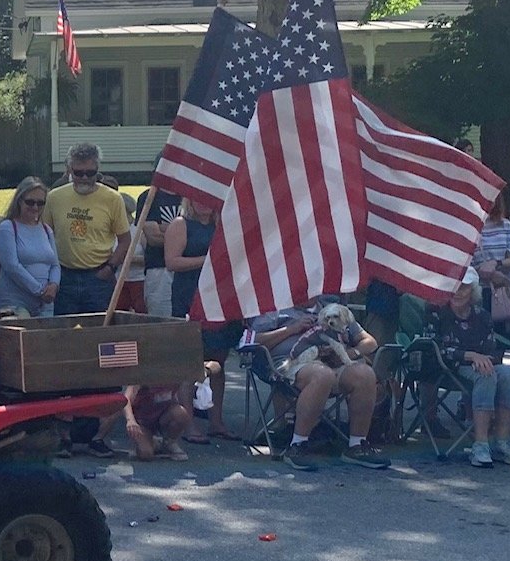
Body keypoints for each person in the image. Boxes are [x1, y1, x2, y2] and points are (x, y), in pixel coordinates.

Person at [250, 303, 388, 471]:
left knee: (364, 374)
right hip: (288, 364)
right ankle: (297, 446)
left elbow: (370, 342)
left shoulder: (332, 310)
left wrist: (350, 354)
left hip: (330, 363)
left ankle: (357, 446)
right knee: (322, 375)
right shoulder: (275, 309)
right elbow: (252, 341)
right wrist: (291, 329)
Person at [430, 269, 510, 468]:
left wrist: (481, 358)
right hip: (446, 367)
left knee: (509, 374)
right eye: (454, 285)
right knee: (487, 375)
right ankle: (480, 444)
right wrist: (469, 355)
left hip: (479, 364)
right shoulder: (436, 310)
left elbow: (491, 348)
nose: (458, 291)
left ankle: (501, 442)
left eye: (464, 287)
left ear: (473, 291)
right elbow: (433, 346)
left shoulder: (482, 315)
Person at [165, 199, 234, 442]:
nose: (204, 202)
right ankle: (188, 424)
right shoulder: (181, 224)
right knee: (190, 364)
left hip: (222, 300)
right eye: (198, 196)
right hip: (190, 299)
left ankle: (216, 422)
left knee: (218, 364)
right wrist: (207, 261)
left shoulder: (225, 224)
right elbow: (171, 262)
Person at [42, 143, 131, 316]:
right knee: (65, 331)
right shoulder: (55, 197)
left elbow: (125, 240)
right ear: (69, 170)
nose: (84, 177)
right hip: (64, 276)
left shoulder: (112, 199)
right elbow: (45, 235)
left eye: (90, 173)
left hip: (98, 276)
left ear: (98, 170)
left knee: (97, 332)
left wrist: (110, 268)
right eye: (78, 172)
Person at [0, 177, 60, 317]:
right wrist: (40, 290)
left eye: (40, 203)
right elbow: (12, 266)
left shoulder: (46, 230)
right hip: (14, 302)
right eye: (30, 202)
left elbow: (55, 265)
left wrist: (53, 286)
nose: (35, 207)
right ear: (19, 201)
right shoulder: (8, 227)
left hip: (45, 305)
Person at [135, 187, 184, 321]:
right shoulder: (149, 196)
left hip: (189, 270)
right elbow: (153, 238)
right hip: (158, 269)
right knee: (161, 321)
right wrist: (184, 234)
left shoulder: (192, 195)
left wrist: (164, 228)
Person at [124, 382, 191, 462]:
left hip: (163, 416)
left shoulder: (175, 374)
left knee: (181, 414)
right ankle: (153, 442)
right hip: (143, 420)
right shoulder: (143, 374)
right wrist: (130, 420)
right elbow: (126, 399)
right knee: (146, 454)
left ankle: (169, 442)